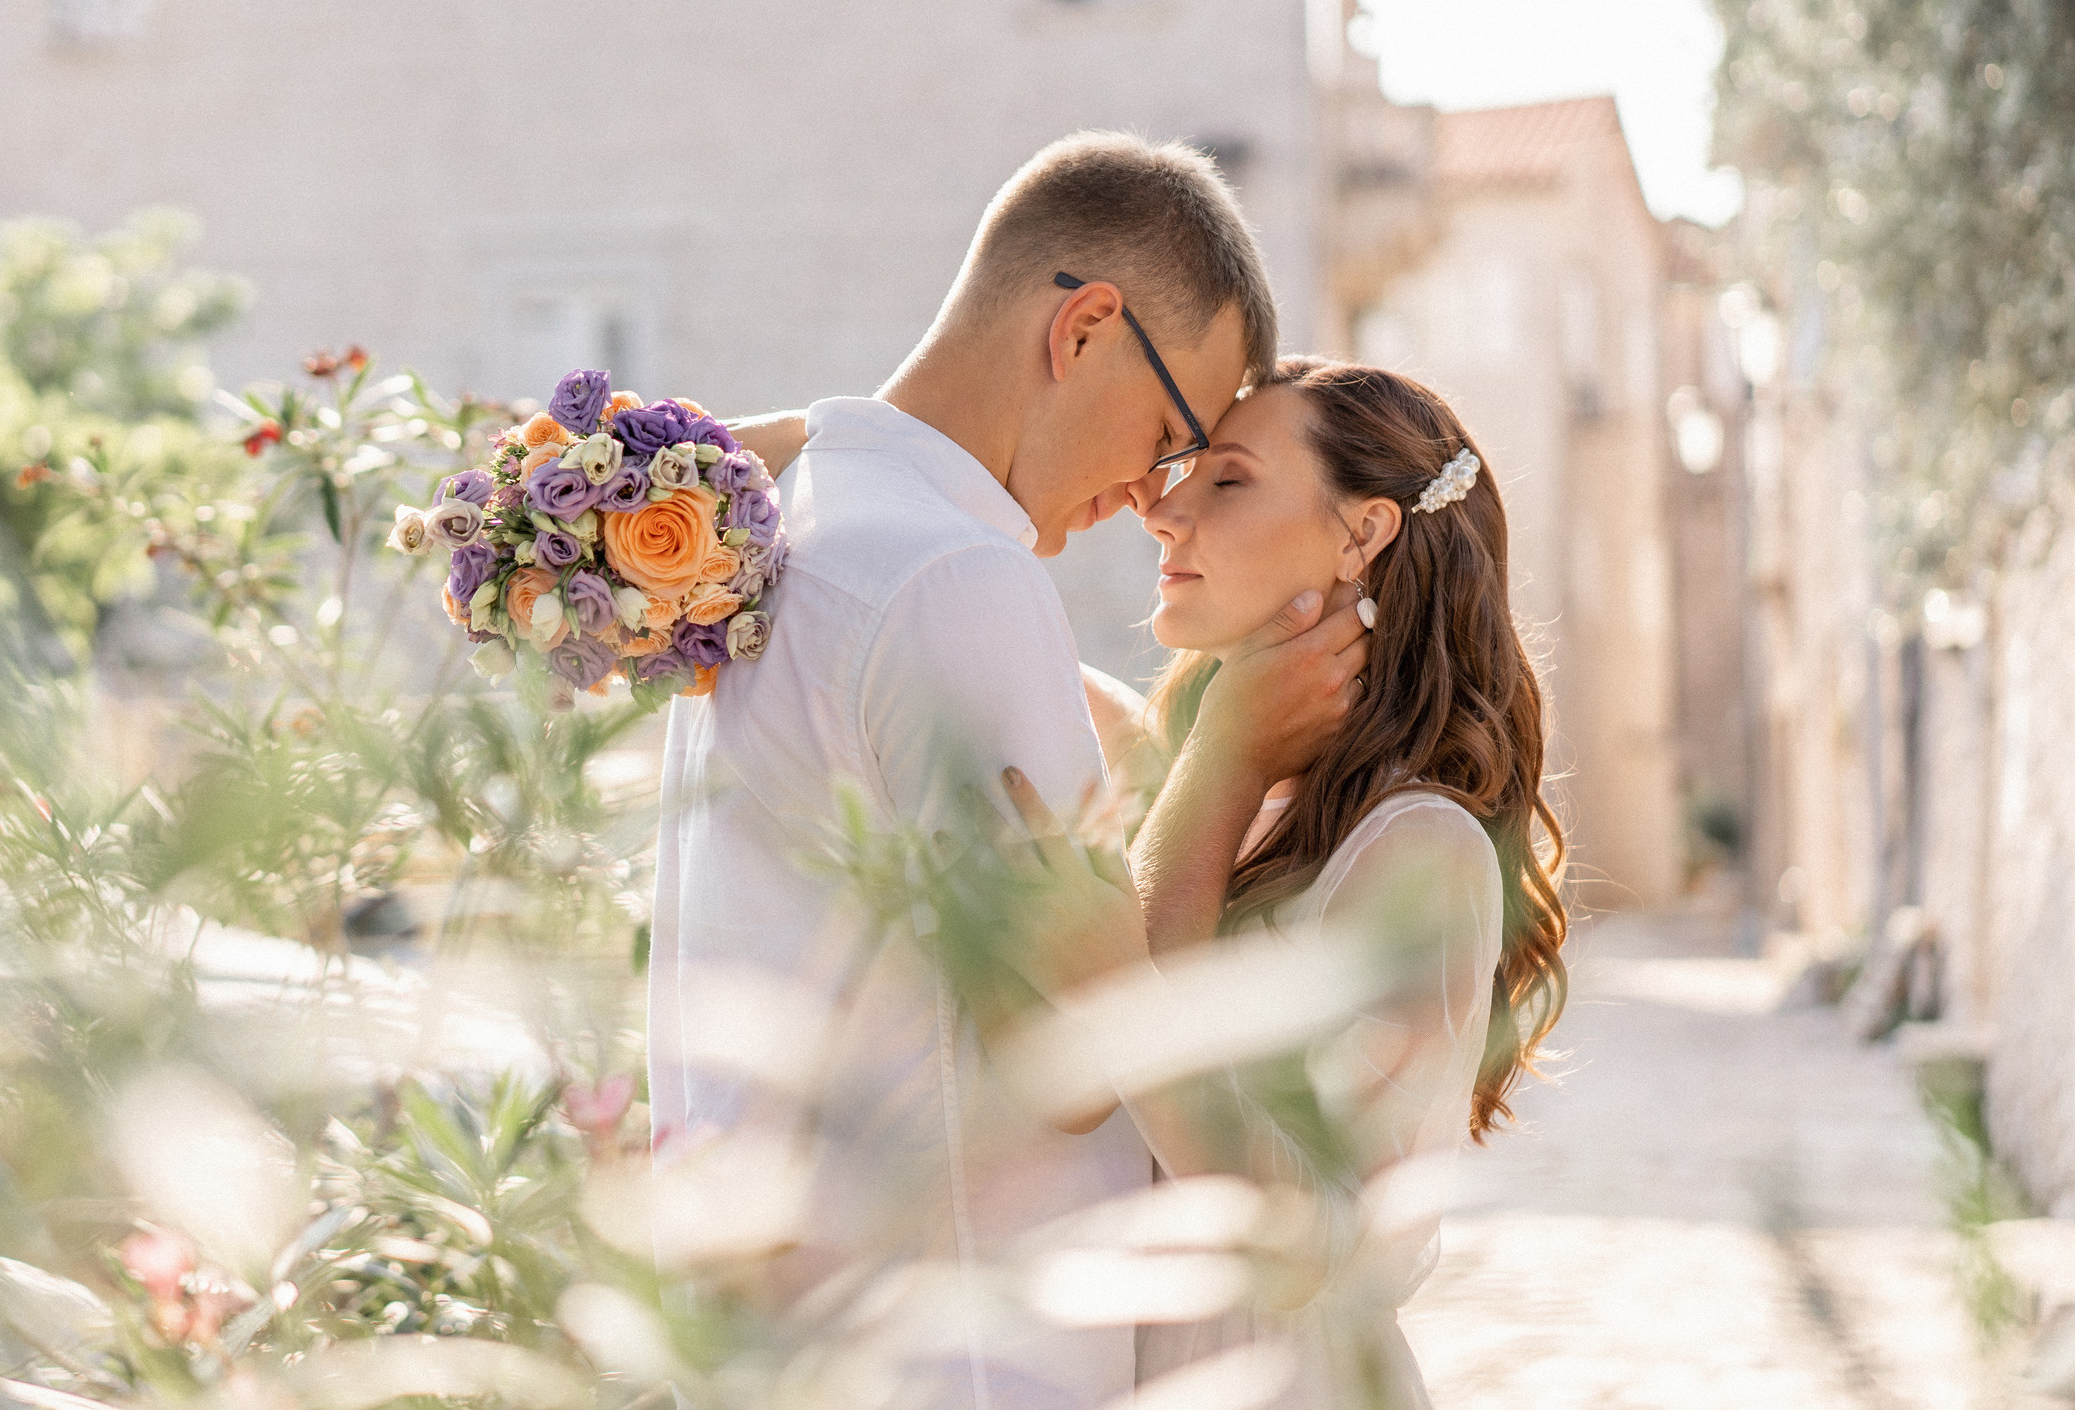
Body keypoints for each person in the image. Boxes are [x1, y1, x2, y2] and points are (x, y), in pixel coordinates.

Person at [656, 132, 1368, 1408]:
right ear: (1084, 329)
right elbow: (1071, 1058)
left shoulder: (775, 528)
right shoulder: (956, 574)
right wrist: (1222, 769)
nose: (1153, 497)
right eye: (1168, 432)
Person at [1007, 356, 1571, 1407]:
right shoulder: (1198, 782)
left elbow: (1322, 1240)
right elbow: (966, 635)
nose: (1165, 513)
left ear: (1360, 535)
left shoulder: (1421, 849)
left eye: (1227, 479)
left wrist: (1116, 987)